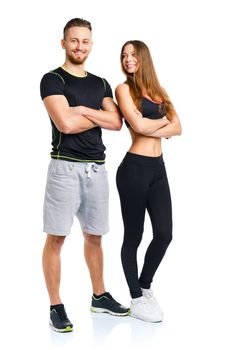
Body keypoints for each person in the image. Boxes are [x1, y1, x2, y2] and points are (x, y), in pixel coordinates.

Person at [40, 18, 129, 333]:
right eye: (74, 40)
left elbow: (117, 122)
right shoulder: (52, 80)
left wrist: (83, 111)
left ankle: (99, 296)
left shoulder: (102, 83)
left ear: (91, 44)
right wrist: (98, 116)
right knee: (57, 237)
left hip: (97, 169)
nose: (80, 46)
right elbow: (64, 123)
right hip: (64, 167)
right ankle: (56, 306)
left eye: (85, 41)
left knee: (94, 236)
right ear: (63, 43)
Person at [115, 40, 182, 322]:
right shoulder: (123, 89)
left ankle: (144, 286)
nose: (128, 59)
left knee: (164, 234)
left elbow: (178, 127)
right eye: (124, 55)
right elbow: (139, 126)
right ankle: (135, 297)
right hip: (133, 169)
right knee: (134, 236)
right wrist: (162, 124)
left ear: (144, 57)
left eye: (133, 54)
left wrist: (157, 125)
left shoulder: (158, 91)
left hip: (158, 169)